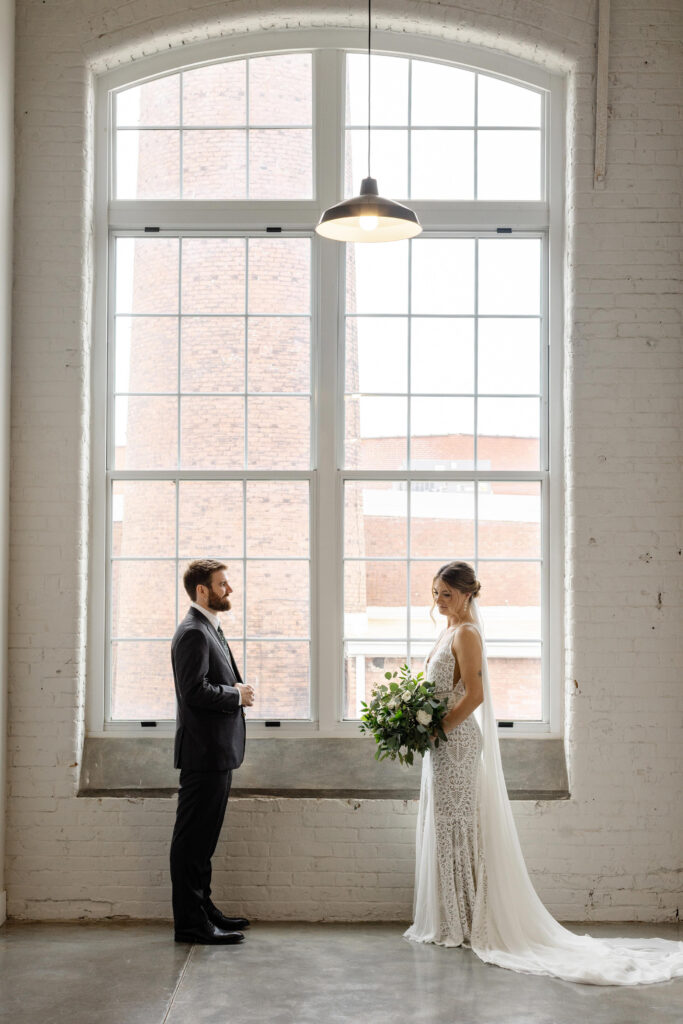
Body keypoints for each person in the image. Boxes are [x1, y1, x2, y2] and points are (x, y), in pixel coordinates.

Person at [404, 560, 683, 986]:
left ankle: (463, 921)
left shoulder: (466, 633)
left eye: (446, 593)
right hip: (440, 747)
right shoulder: (447, 631)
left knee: (458, 824)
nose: (439, 601)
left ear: (467, 593)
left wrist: (437, 730)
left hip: (455, 745)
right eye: (435, 593)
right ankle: (451, 918)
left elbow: (474, 696)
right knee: (446, 825)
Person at [170, 559, 255, 945]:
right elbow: (194, 692)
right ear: (202, 590)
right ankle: (191, 925)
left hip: (216, 752)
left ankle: (204, 909)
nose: (229, 590)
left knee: (204, 842)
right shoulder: (192, 632)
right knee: (192, 842)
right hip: (203, 753)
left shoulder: (208, 627)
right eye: (222, 584)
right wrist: (236, 694)